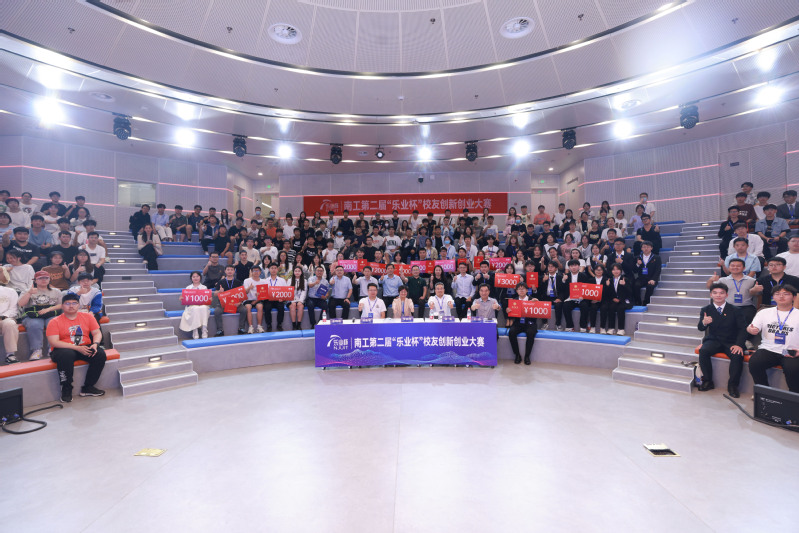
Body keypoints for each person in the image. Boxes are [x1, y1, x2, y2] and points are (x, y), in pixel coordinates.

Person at [46, 293, 106, 403]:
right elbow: (54, 342)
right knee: (66, 355)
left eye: (74, 303)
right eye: (67, 303)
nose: (71, 306)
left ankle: (88, 387)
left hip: (83, 346)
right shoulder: (54, 321)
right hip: (62, 349)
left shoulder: (88, 317)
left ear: (79, 305)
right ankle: (66, 389)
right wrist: (77, 348)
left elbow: (97, 333)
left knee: (100, 354)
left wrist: (95, 344)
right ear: (62, 306)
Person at [697, 283, 747, 396]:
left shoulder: (736, 310)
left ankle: (733, 385)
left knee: (737, 355)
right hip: (714, 340)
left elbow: (743, 329)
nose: (718, 295)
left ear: (726, 295)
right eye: (715, 293)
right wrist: (704, 322)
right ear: (711, 295)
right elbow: (700, 328)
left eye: (721, 293)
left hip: (731, 341)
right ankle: (708, 381)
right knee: (703, 351)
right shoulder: (706, 309)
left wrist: (739, 344)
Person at [747, 285, 799, 393]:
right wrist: (751, 330)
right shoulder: (764, 312)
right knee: (754, 362)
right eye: (777, 294)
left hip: (790, 351)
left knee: (793, 369)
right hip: (768, 349)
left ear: (794, 297)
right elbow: (751, 327)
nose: (781, 296)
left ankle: (794, 396)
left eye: (786, 294)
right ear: (773, 297)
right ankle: (764, 393)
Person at [708, 257, 757, 345]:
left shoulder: (752, 280)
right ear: (729, 267)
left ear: (744, 268)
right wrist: (711, 280)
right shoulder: (723, 280)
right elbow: (710, 287)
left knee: (747, 317)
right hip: (728, 306)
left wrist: (757, 290)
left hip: (746, 306)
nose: (735, 267)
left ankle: (746, 341)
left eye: (738, 266)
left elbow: (757, 293)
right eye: (732, 265)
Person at [18, 270, 62, 360]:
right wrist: (29, 293)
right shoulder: (27, 291)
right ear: (35, 280)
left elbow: (61, 305)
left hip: (50, 314)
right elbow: (21, 304)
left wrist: (48, 309)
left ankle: (52, 348)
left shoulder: (56, 291)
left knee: (53, 322)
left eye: (46, 278)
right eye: (40, 278)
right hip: (33, 315)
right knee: (35, 324)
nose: (44, 280)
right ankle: (37, 350)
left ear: (49, 279)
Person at [507, 282, 538, 365]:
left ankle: (527, 356)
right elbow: (511, 314)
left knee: (531, 333)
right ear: (516, 291)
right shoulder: (514, 301)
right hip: (518, 323)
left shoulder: (533, 299)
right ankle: (517, 355)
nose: (521, 290)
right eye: (519, 289)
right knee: (511, 332)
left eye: (523, 289)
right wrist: (508, 311)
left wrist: (537, 304)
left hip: (530, 323)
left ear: (527, 290)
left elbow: (538, 312)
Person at [210, 265, 244, 337]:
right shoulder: (221, 282)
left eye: (231, 270)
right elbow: (215, 294)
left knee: (244, 310)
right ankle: (220, 330)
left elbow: (242, 294)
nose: (230, 271)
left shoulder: (238, 282)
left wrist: (239, 302)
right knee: (217, 311)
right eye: (228, 270)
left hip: (235, 303)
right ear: (225, 271)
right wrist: (219, 291)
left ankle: (241, 328)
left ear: (234, 271)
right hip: (223, 304)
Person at [179, 272, 211, 339]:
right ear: (191, 278)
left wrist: (210, 299)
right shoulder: (188, 287)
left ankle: (204, 329)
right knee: (195, 309)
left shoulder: (204, 287)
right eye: (194, 277)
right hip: (191, 306)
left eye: (197, 276)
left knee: (204, 308)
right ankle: (195, 330)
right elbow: (186, 299)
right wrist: (182, 298)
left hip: (202, 305)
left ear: (200, 277)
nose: (195, 278)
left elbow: (207, 299)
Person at [602, 264, 632, 335]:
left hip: (624, 300)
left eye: (617, 269)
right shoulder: (609, 280)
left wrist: (624, 285)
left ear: (621, 270)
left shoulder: (625, 279)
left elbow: (630, 292)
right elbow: (607, 294)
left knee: (620, 308)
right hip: (614, 300)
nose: (616, 271)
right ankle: (611, 328)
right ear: (611, 271)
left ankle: (621, 329)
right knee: (611, 307)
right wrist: (607, 286)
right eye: (613, 269)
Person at [562, 259, 591, 332]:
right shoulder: (566, 276)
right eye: (571, 266)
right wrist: (563, 281)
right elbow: (562, 289)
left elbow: (587, 288)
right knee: (565, 306)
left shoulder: (584, 276)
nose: (573, 267)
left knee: (585, 306)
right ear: (569, 267)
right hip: (570, 298)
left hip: (581, 298)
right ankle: (570, 326)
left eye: (575, 265)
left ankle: (583, 326)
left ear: (579, 267)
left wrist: (583, 296)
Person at [262, 263, 289, 332]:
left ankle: (279, 324)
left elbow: (285, 292)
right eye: (272, 268)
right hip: (268, 299)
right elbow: (263, 293)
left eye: (275, 268)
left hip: (278, 300)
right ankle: (269, 325)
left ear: (277, 269)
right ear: (269, 269)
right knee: (267, 307)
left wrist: (283, 298)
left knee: (281, 307)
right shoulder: (265, 281)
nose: (273, 270)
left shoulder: (282, 280)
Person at [634, 241, 661, 306]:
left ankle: (646, 302)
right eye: (644, 247)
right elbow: (635, 270)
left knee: (650, 286)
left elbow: (658, 270)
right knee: (635, 285)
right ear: (641, 248)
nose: (646, 248)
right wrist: (638, 264)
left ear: (651, 248)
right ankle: (638, 302)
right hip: (641, 278)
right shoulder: (637, 257)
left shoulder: (656, 257)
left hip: (651, 277)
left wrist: (653, 279)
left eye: (648, 247)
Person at [242, 265, 268, 333]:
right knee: (248, 307)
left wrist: (257, 300)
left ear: (260, 272)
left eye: (257, 270)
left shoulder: (264, 281)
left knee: (260, 306)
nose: (256, 272)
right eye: (254, 271)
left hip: (258, 300)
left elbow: (264, 295)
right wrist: (249, 288)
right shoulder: (247, 280)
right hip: (248, 300)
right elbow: (245, 292)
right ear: (251, 272)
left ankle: (259, 326)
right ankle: (250, 327)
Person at [0, 282, 20, 364]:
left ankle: (10, 355)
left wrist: (3, 317)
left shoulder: (10, 291)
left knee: (10, 324)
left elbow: (13, 309)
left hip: (5, 318)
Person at [288, 266, 307, 330]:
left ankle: (299, 324)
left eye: (299, 271)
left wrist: (300, 301)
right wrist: (293, 301)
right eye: (295, 271)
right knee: (292, 306)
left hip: (300, 299)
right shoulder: (289, 280)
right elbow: (289, 292)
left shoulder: (304, 281)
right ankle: (294, 325)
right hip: (291, 299)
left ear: (301, 272)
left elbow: (304, 292)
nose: (297, 272)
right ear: (293, 272)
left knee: (300, 306)